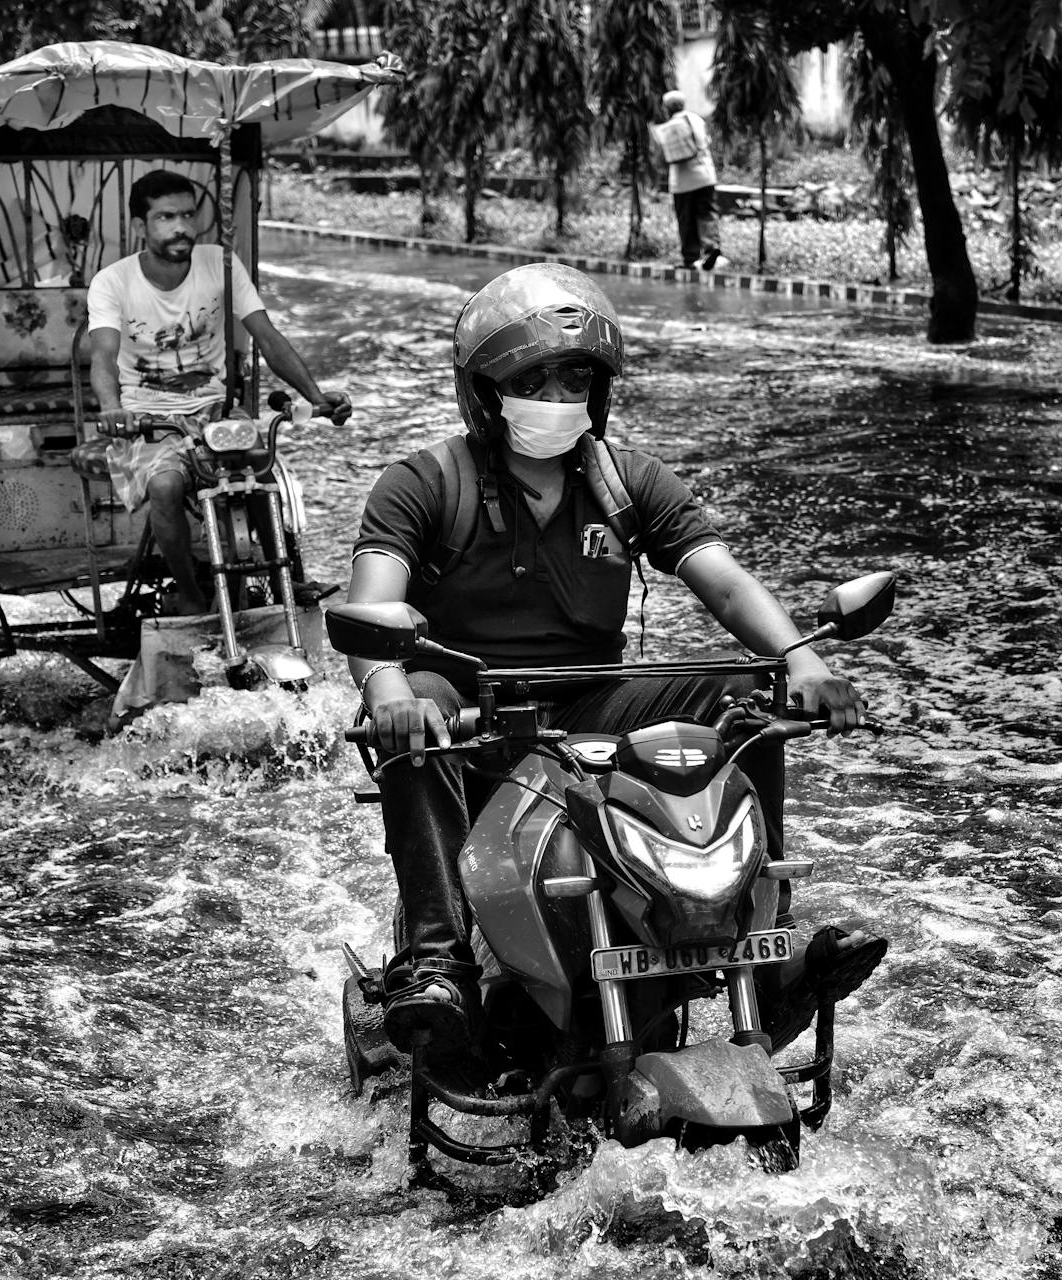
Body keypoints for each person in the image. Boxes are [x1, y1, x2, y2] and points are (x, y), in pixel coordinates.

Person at [347, 262, 884, 1061]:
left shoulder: (629, 480)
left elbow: (727, 585)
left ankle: (766, 948)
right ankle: (438, 964)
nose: (559, 393)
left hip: (591, 709)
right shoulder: (422, 483)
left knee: (748, 696)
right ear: (484, 390)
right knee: (411, 710)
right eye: (537, 376)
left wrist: (800, 662)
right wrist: (389, 686)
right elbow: (371, 607)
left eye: (576, 376)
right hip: (472, 717)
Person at [88, 168, 349, 616]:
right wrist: (113, 409)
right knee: (166, 486)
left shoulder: (221, 264)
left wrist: (317, 396)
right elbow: (103, 357)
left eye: (188, 215)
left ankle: (288, 580)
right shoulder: (112, 282)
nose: (181, 228)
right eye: (166, 217)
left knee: (262, 469)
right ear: (139, 226)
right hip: (149, 419)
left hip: (215, 411)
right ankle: (189, 596)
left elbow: (267, 337)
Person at [653, 90, 722, 271]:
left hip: (682, 182)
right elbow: (707, 142)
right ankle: (711, 247)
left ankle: (690, 259)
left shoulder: (668, 128)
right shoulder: (696, 120)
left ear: (667, 108)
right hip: (705, 176)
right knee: (706, 212)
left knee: (686, 219)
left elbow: (662, 157)